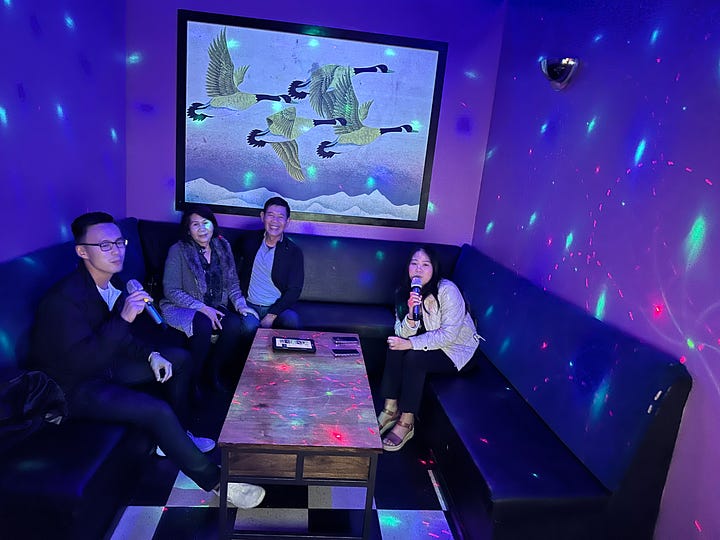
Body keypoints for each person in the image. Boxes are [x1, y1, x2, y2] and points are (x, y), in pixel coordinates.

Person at [29, 212, 264, 508]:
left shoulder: (111, 282)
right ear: (82, 251)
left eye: (119, 242)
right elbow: (85, 362)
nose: (116, 251)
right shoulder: (63, 300)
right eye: (105, 245)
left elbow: (120, 339)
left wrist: (152, 355)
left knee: (179, 359)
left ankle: (179, 435)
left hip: (104, 364)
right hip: (72, 387)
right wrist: (125, 317)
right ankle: (218, 483)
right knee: (156, 410)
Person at [377, 245, 480, 452]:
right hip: (429, 344)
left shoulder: (447, 290)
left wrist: (410, 344)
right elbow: (401, 332)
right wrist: (411, 315)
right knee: (395, 345)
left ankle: (407, 421)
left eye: (425, 264)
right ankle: (390, 409)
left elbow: (449, 335)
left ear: (434, 269)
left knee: (414, 358)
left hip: (457, 350)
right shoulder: (403, 292)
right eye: (414, 263)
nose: (418, 269)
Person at [159, 206, 257, 391]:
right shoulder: (178, 250)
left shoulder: (223, 246)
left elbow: (232, 283)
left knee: (234, 324)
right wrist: (202, 308)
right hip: (181, 306)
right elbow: (171, 290)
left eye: (205, 223)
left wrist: (241, 305)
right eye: (195, 224)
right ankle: (193, 380)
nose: (202, 229)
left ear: (213, 225)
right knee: (203, 323)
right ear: (188, 229)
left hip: (215, 305)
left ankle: (213, 372)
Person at [237, 196, 304, 329]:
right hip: (249, 305)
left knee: (292, 320)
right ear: (262, 217)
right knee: (250, 327)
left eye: (280, 217)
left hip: (277, 308)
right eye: (271, 215)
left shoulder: (293, 251)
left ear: (287, 221)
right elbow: (231, 272)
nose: (275, 221)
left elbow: (295, 289)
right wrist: (239, 303)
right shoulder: (248, 241)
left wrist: (272, 314)